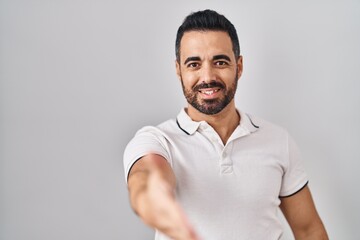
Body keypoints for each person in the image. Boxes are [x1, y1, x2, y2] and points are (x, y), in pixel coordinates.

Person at [123, 9, 328, 240]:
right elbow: (146, 178)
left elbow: (309, 230)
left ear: (239, 67)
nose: (207, 76)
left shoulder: (278, 140)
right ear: (178, 69)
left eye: (220, 62)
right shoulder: (156, 139)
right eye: (194, 64)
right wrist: (154, 197)